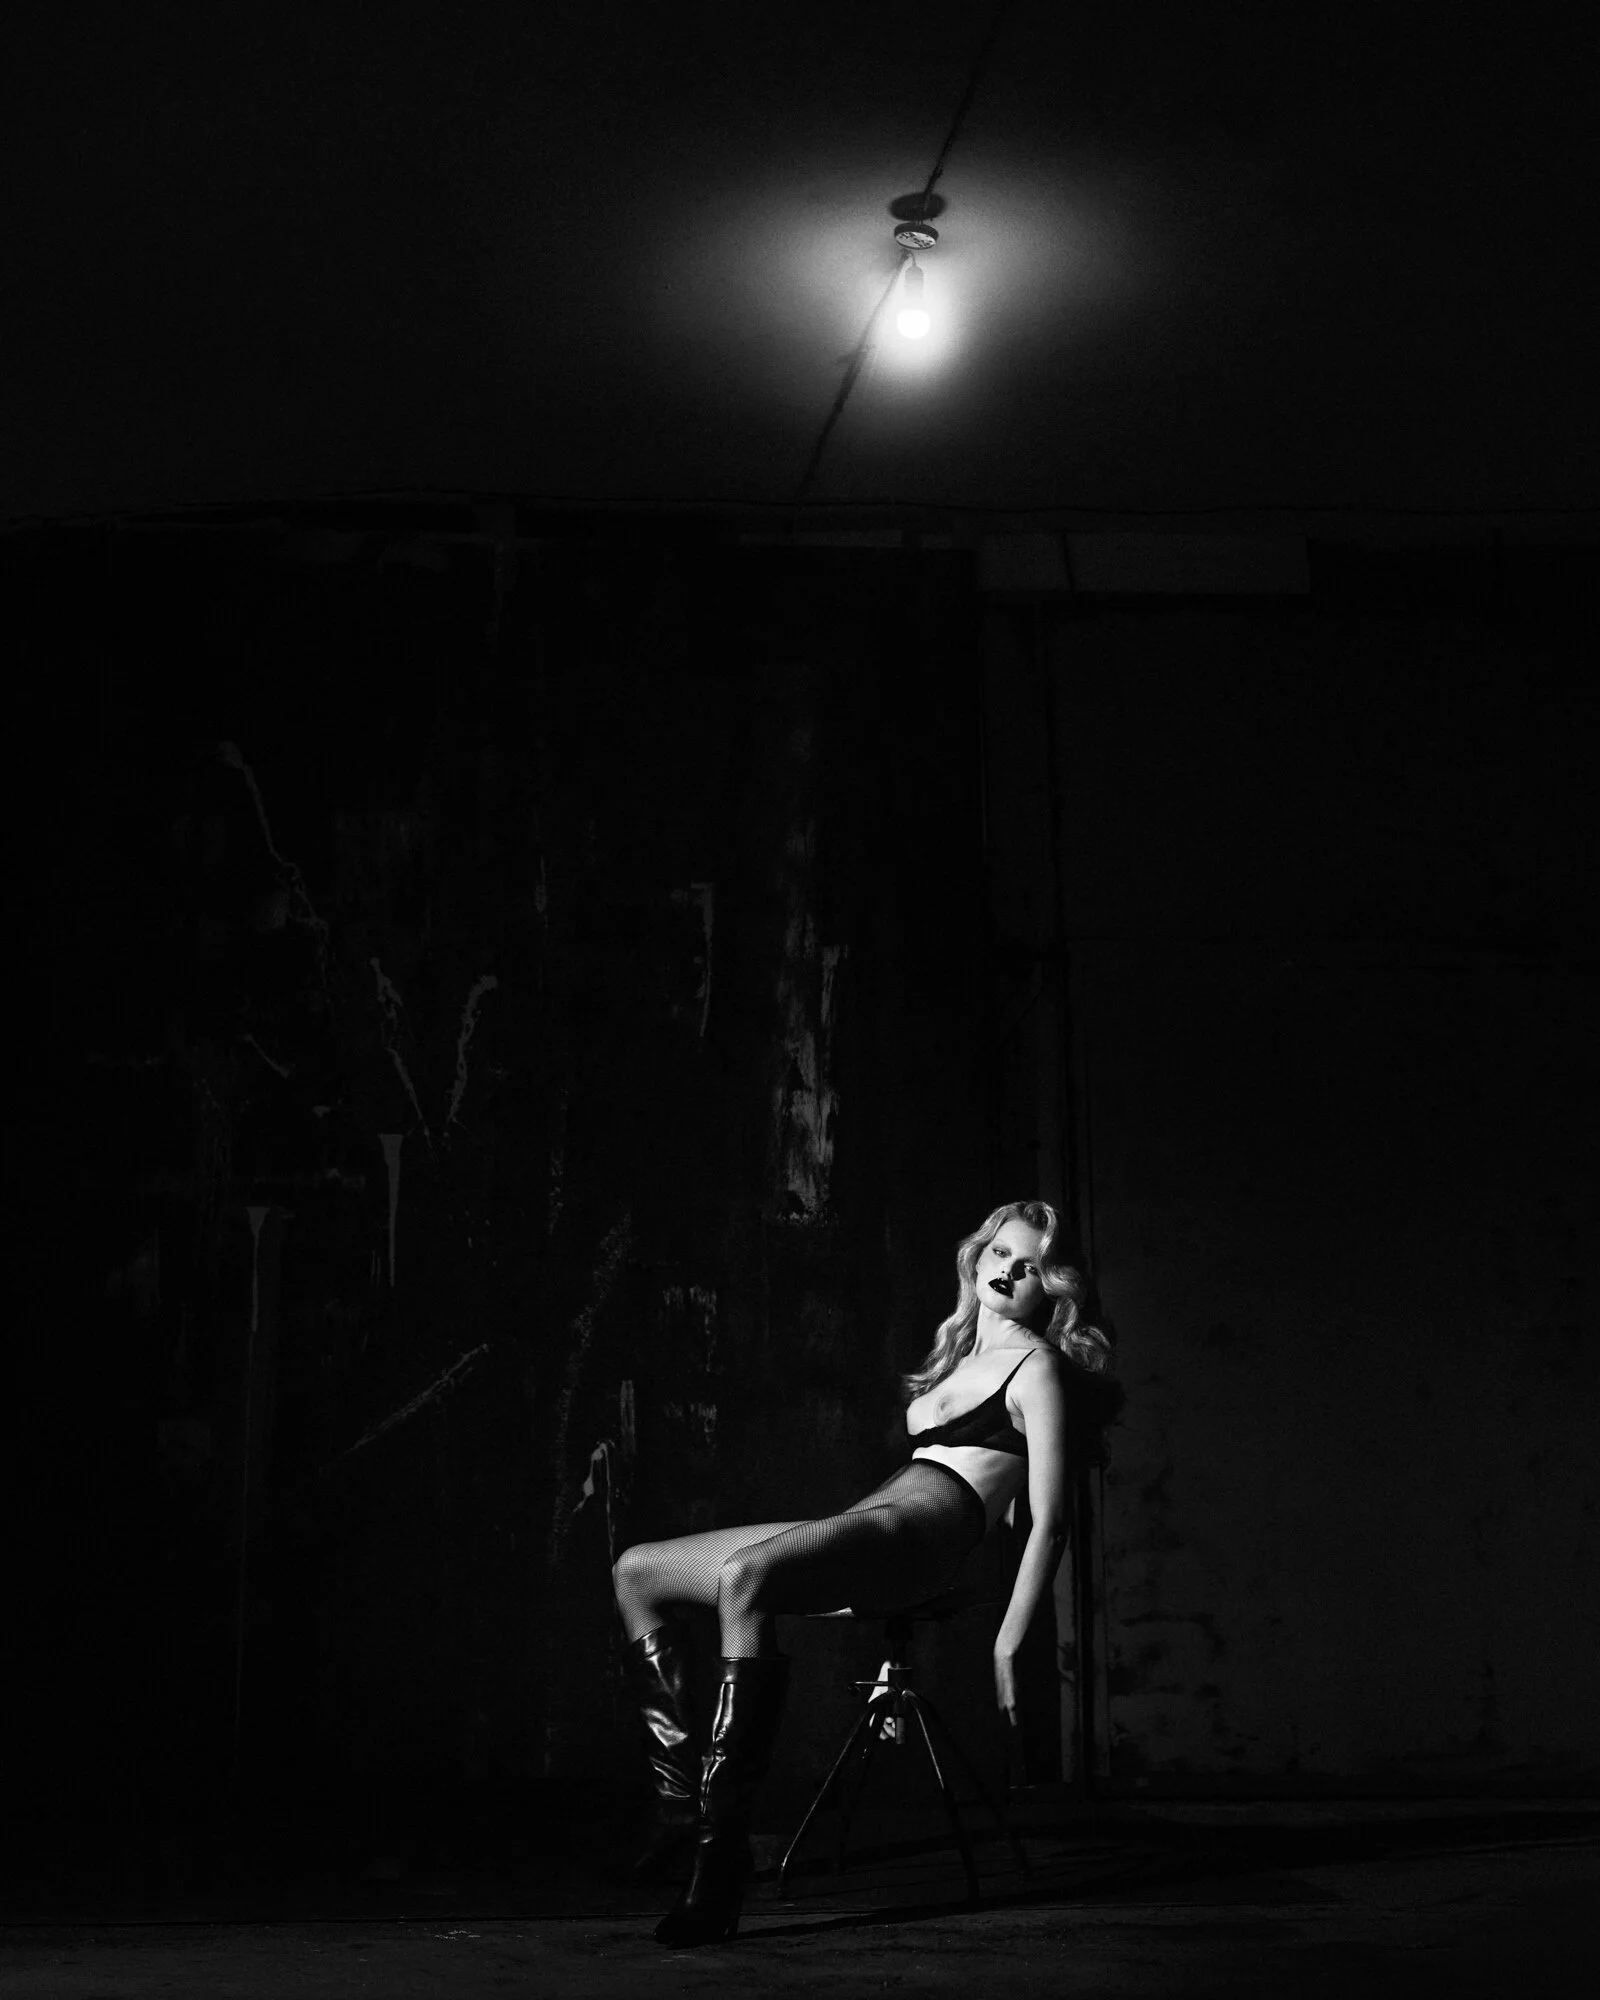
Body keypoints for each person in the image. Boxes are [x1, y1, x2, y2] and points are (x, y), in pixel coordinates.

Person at [611, 1198, 1114, 1948]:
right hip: (872, 1530)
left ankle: (719, 1863)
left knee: (746, 1576)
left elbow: (1049, 1520)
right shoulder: (958, 1357)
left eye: (1032, 1267)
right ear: (977, 1257)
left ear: (1054, 1288)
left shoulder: (1036, 1368)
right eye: (1001, 1253)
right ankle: (682, 1812)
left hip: (917, 1541)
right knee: (638, 1571)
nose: (1010, 1272)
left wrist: (1009, 1643)